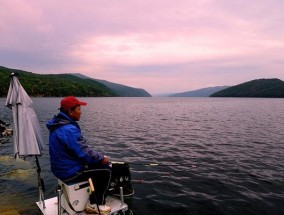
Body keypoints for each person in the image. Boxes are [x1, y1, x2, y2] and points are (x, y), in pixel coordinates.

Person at [46, 96, 111, 214]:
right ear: (70, 111)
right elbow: (84, 152)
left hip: (59, 169)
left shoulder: (57, 125)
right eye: (79, 109)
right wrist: (102, 158)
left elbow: (78, 151)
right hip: (69, 172)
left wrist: (96, 158)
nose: (81, 112)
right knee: (106, 170)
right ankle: (95, 204)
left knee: (95, 165)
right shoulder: (68, 129)